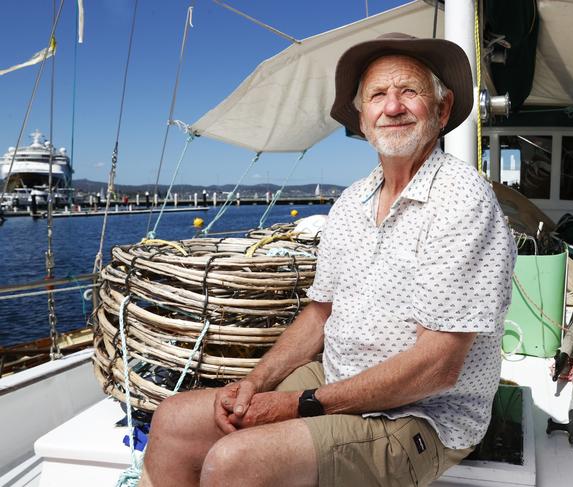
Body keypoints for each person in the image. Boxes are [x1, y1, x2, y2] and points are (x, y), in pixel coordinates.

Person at [139, 32, 517, 487]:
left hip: (424, 415)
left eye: (409, 92)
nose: (392, 107)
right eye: (377, 95)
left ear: (441, 109)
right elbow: (321, 312)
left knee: (235, 460)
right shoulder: (353, 201)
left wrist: (302, 404)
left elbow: (439, 366)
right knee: (174, 419)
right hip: (338, 378)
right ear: (361, 117)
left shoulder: (461, 200)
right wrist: (256, 382)